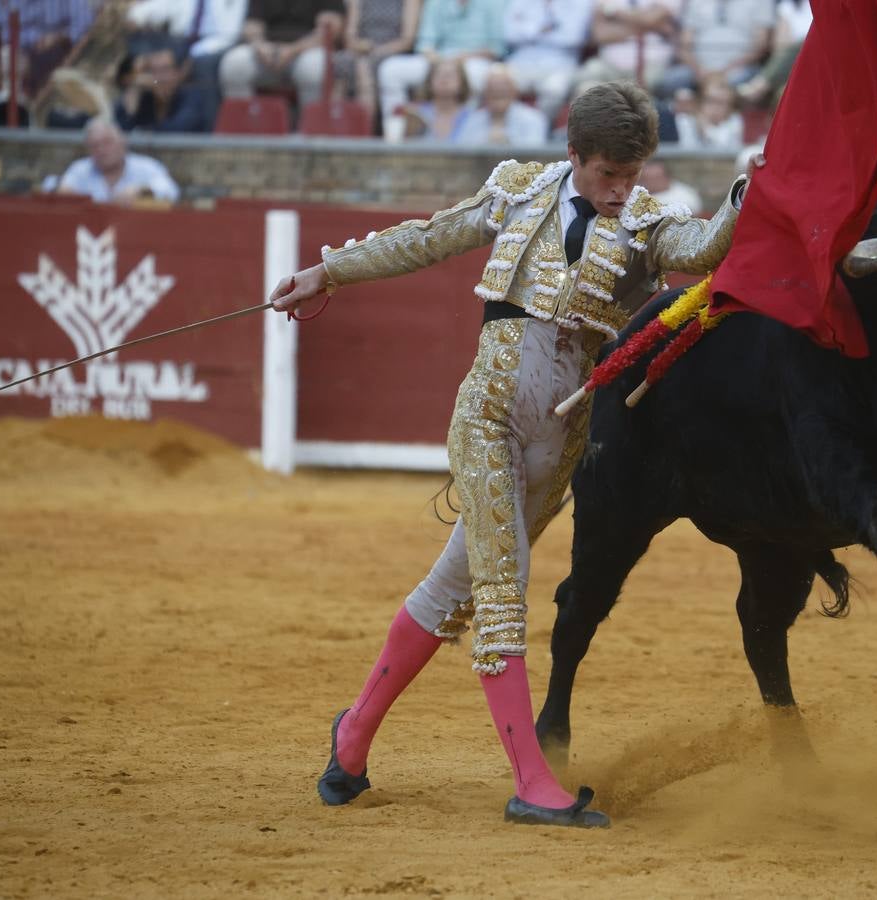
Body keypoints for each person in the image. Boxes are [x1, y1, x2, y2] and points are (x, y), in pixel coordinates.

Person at [268, 81, 750, 828]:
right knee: (502, 589)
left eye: (631, 175)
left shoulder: (646, 219)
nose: (619, 190)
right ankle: (532, 782)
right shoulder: (520, 189)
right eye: (607, 174)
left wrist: (743, 198)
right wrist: (326, 272)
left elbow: (701, 247)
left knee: (450, 588)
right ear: (574, 154)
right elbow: (427, 237)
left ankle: (353, 735)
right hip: (489, 416)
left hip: (559, 443)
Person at [218, 0, 345, 111]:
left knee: (313, 69)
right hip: (267, 52)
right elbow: (252, 23)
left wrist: (292, 50)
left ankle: (311, 128)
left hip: (307, 49)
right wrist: (260, 46)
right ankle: (244, 126)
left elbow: (331, 29)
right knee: (234, 64)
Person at [376, 0, 504, 107]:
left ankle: (466, 124)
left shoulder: (492, 3)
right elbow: (425, 43)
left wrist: (464, 57)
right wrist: (436, 58)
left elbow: (496, 48)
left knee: (475, 75)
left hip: (474, 60)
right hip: (438, 59)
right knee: (390, 70)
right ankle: (396, 125)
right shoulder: (436, 2)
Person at [334, 0, 421, 133]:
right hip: (362, 50)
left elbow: (407, 40)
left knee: (366, 68)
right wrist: (358, 46)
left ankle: (365, 130)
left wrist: (377, 51)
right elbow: (350, 36)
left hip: (392, 50)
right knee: (340, 61)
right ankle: (334, 126)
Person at [657, 0, 775, 96]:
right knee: (670, 81)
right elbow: (684, 45)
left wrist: (725, 72)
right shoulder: (695, 2)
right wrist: (699, 71)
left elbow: (760, 46)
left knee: (739, 81)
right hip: (698, 69)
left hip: (739, 68)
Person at [502, 0, 594, 120]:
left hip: (560, 64)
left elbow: (573, 37)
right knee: (499, 83)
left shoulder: (581, 3)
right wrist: (547, 29)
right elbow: (509, 34)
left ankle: (541, 128)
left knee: (554, 89)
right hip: (521, 61)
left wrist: (528, 29)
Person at [55, 118, 181, 204]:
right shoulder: (79, 169)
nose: (102, 150)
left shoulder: (146, 166)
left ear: (123, 142)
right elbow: (58, 189)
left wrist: (142, 191)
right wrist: (60, 191)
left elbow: (171, 191)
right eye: (95, 146)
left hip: (136, 229)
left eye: (107, 142)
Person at [573, 0, 682, 90]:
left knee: (640, 94)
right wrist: (650, 26)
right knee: (584, 84)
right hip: (609, 64)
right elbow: (600, 35)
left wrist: (614, 11)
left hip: (652, 65)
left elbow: (650, 19)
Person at [114, 46, 212, 133]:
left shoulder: (192, 97)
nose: (160, 78)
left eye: (165, 70)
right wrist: (133, 98)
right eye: (153, 71)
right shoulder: (146, 98)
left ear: (177, 73)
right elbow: (121, 130)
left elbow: (180, 129)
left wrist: (143, 131)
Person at [454, 63, 549, 145]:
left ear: (515, 91)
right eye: (493, 88)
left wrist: (506, 142)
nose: (498, 91)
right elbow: (461, 151)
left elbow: (534, 154)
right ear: (485, 92)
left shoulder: (533, 118)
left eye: (504, 87)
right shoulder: (472, 120)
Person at [401, 56, 472, 141]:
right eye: (439, 75)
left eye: (450, 75)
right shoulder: (415, 114)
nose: (444, 79)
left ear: (462, 82)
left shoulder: (473, 117)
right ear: (430, 81)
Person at [673, 73, 745, 150]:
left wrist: (706, 129)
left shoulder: (734, 121)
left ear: (730, 107)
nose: (715, 107)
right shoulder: (686, 120)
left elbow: (723, 151)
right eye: (710, 101)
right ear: (700, 101)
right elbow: (686, 151)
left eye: (721, 103)